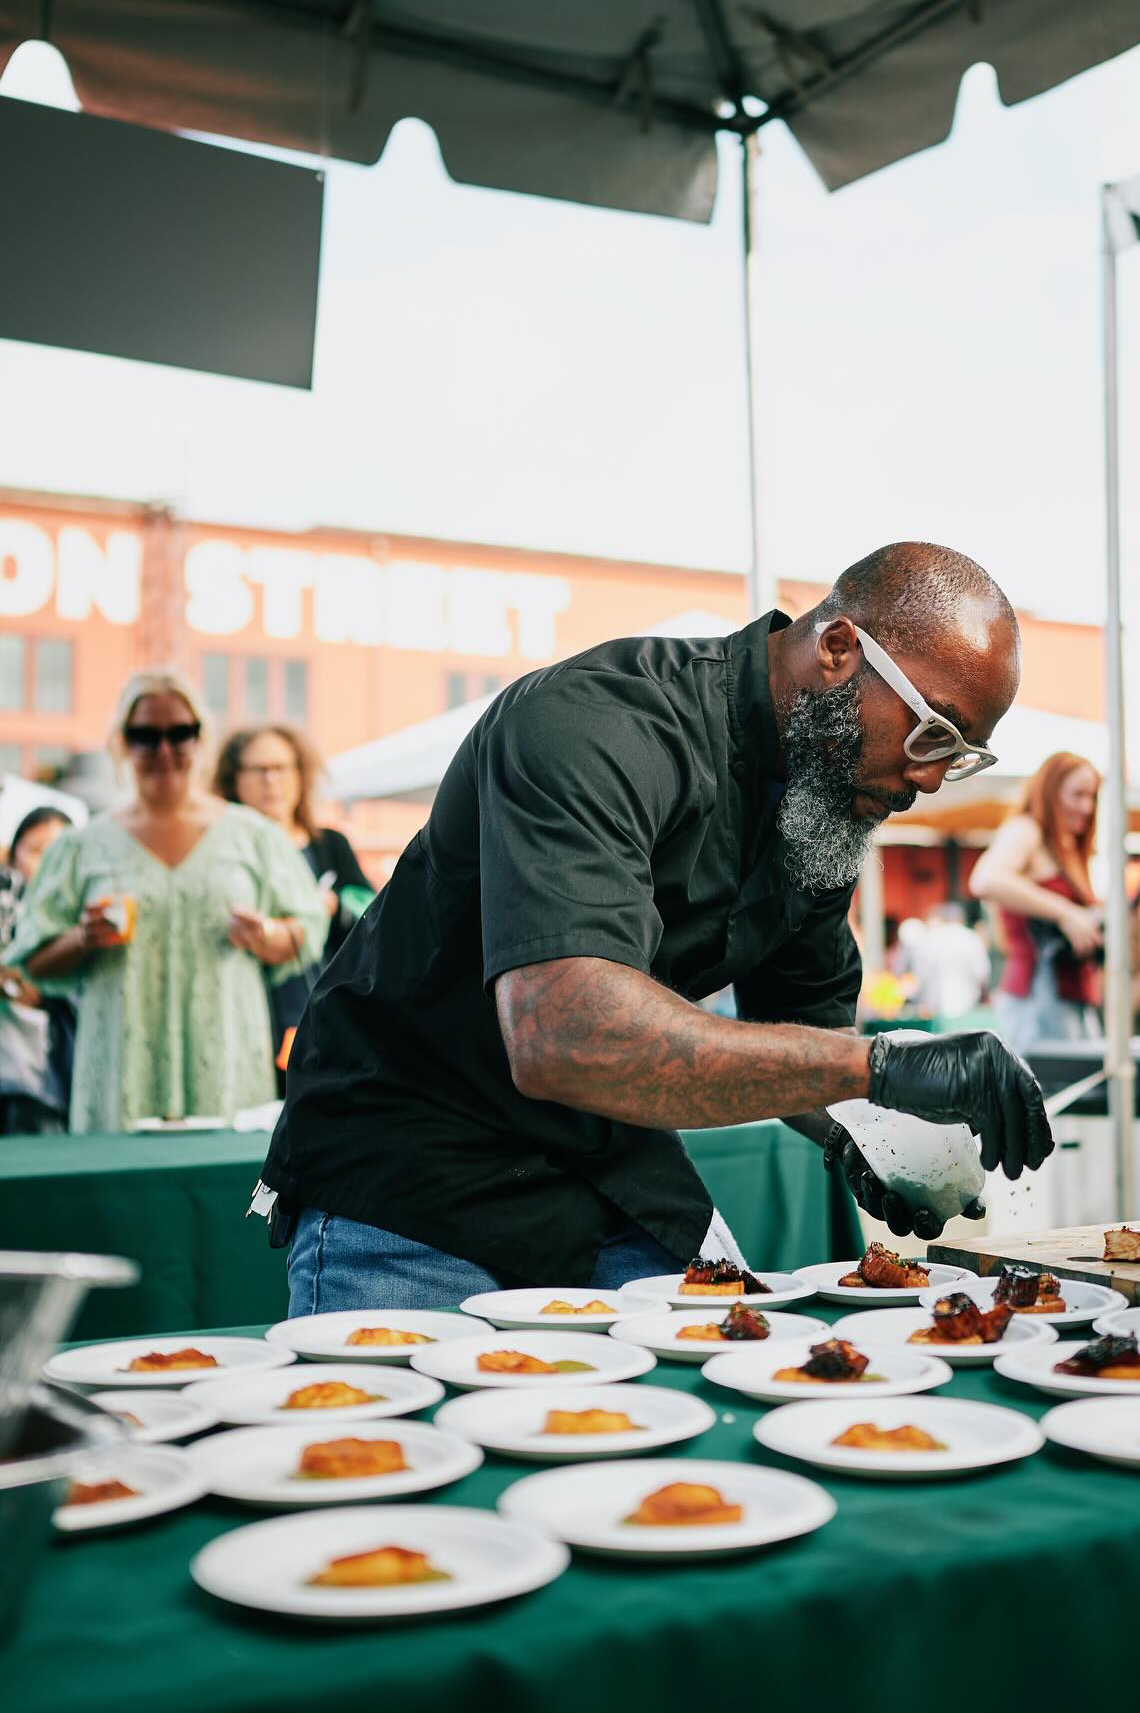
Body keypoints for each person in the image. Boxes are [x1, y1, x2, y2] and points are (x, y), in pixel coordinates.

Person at [259, 542, 1055, 1313]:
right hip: (412, 1154)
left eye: (957, 757)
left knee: (734, 1406)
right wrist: (873, 1070)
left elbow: (806, 1028)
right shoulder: (594, 723)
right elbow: (564, 1035)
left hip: (606, 1162)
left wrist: (858, 1129)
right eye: (931, 732)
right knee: (402, 1443)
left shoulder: (821, 801)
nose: (926, 780)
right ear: (841, 649)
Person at [5, 670, 326, 1131]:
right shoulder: (83, 846)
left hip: (227, 1062)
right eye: (145, 735)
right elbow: (33, 960)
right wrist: (83, 938)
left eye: (180, 733)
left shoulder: (251, 835)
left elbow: (304, 932)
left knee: (222, 1196)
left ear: (200, 738)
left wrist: (267, 933)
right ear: (122, 742)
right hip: (120, 1066)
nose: (164, 751)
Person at [213, 725, 374, 1061]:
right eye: (258, 769)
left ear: (301, 775)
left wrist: (332, 908)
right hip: (250, 1013)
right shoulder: (222, 849)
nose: (270, 780)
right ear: (234, 779)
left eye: (281, 768)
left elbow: (373, 916)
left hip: (324, 1006)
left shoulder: (329, 844)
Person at [969, 753, 1103, 1055]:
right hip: (1037, 1001)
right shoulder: (1026, 829)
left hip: (1070, 1000)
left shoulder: (1067, 845)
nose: (1087, 806)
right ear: (1050, 791)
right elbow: (986, 880)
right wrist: (1065, 912)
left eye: (1092, 796)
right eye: (1078, 794)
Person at [0, 807, 74, 1133]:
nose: (45, 864)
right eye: (35, 851)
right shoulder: (8, 900)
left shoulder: (80, 917)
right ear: (14, 855)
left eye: (57, 853)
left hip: (51, 1078)